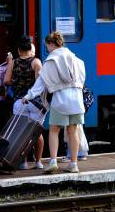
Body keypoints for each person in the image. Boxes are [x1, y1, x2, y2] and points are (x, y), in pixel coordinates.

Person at [23, 32, 86, 173]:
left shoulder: (51, 60)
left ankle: (53, 161)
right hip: (77, 99)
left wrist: (28, 96)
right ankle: (74, 164)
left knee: (54, 129)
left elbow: (40, 83)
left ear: (51, 44)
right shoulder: (76, 59)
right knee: (72, 131)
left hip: (60, 99)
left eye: (47, 46)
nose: (47, 49)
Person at [4, 36, 44, 169]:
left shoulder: (13, 62)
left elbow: (6, 81)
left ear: (19, 50)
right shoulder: (36, 62)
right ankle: (38, 162)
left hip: (19, 102)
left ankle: (24, 162)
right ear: (30, 48)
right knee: (37, 132)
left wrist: (17, 82)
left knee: (21, 132)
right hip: (35, 102)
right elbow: (40, 82)